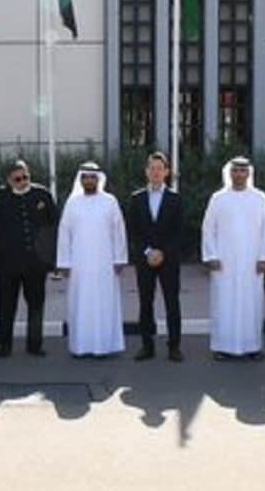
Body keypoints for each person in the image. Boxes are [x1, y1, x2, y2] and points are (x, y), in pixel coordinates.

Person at [0, 159, 59, 358]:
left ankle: (34, 344)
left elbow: (53, 228)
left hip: (36, 262)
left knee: (36, 304)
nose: (23, 182)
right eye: (18, 178)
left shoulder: (42, 195)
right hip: (7, 263)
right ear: (9, 180)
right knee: (6, 304)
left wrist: (55, 260)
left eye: (26, 177)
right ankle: (4, 344)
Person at [200, 156, 265, 360]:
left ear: (248, 173)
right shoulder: (218, 198)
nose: (239, 174)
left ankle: (252, 347)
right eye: (235, 171)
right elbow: (208, 229)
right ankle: (223, 347)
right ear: (229, 173)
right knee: (224, 303)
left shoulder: (260, 198)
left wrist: (264, 257)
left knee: (251, 303)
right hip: (224, 263)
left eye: (242, 171)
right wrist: (211, 255)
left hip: (252, 263)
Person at [54, 162, 128, 358]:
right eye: (85, 177)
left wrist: (120, 258)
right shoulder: (73, 203)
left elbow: (118, 231)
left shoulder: (110, 201)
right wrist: (64, 263)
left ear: (99, 179)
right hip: (79, 266)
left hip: (105, 264)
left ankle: (104, 346)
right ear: (81, 180)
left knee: (104, 304)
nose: (89, 180)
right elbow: (64, 233)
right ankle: (81, 346)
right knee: (81, 304)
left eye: (92, 177)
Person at [126, 151, 185, 362]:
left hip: (168, 260)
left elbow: (179, 232)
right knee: (145, 301)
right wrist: (148, 251)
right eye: (152, 168)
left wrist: (163, 252)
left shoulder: (175, 199)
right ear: (146, 171)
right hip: (145, 259)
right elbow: (132, 231)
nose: (156, 172)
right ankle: (147, 345)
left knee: (171, 302)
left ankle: (174, 346)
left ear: (167, 172)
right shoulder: (136, 198)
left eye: (160, 168)